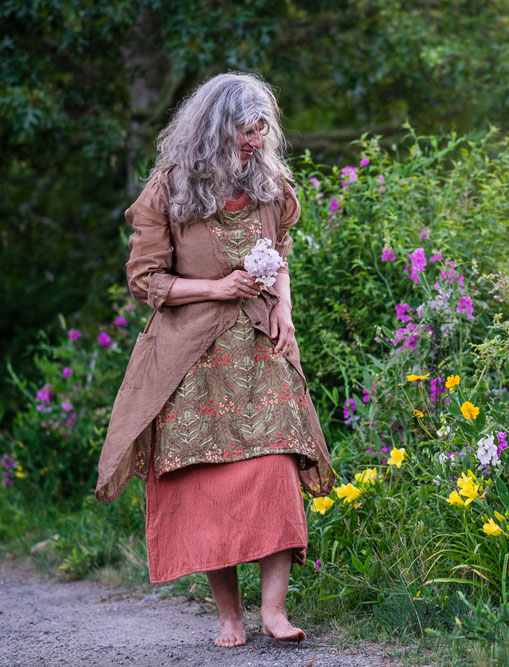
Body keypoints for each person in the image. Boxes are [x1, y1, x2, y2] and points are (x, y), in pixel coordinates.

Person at [95, 72, 334, 648]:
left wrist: (285, 308)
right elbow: (145, 280)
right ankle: (230, 617)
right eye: (244, 132)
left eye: (260, 131)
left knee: (275, 471)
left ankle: (274, 613)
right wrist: (216, 289)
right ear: (214, 130)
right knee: (208, 486)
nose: (255, 142)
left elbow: (278, 259)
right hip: (189, 359)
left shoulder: (270, 184)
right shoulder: (169, 190)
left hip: (260, 347)